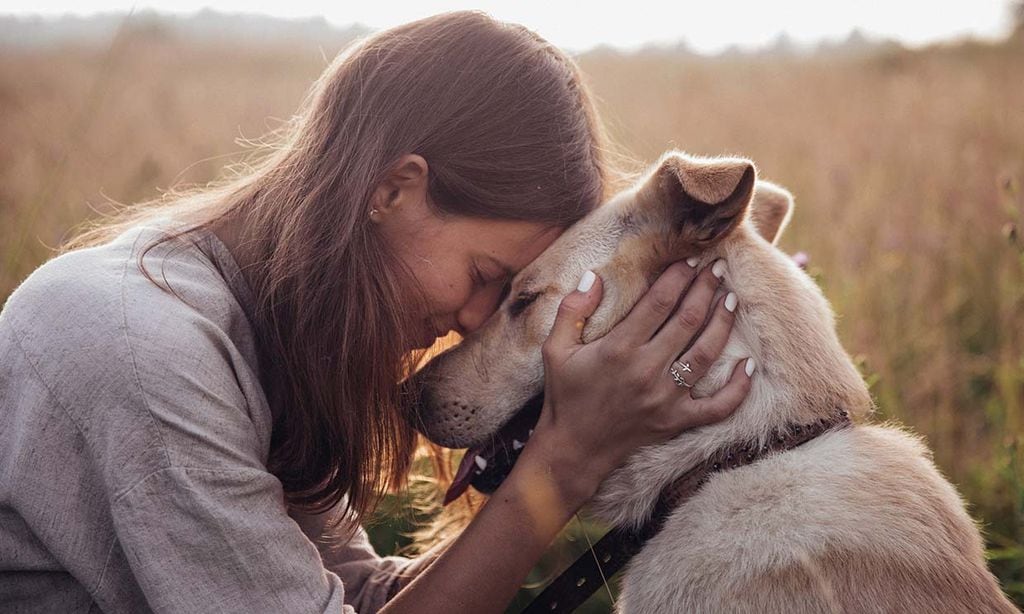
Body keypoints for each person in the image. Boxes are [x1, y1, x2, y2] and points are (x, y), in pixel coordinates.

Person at [0, 11, 753, 613]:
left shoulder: (256, 332)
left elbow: (360, 602)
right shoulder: (146, 353)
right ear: (394, 189)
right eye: (487, 276)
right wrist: (564, 459)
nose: (474, 320)